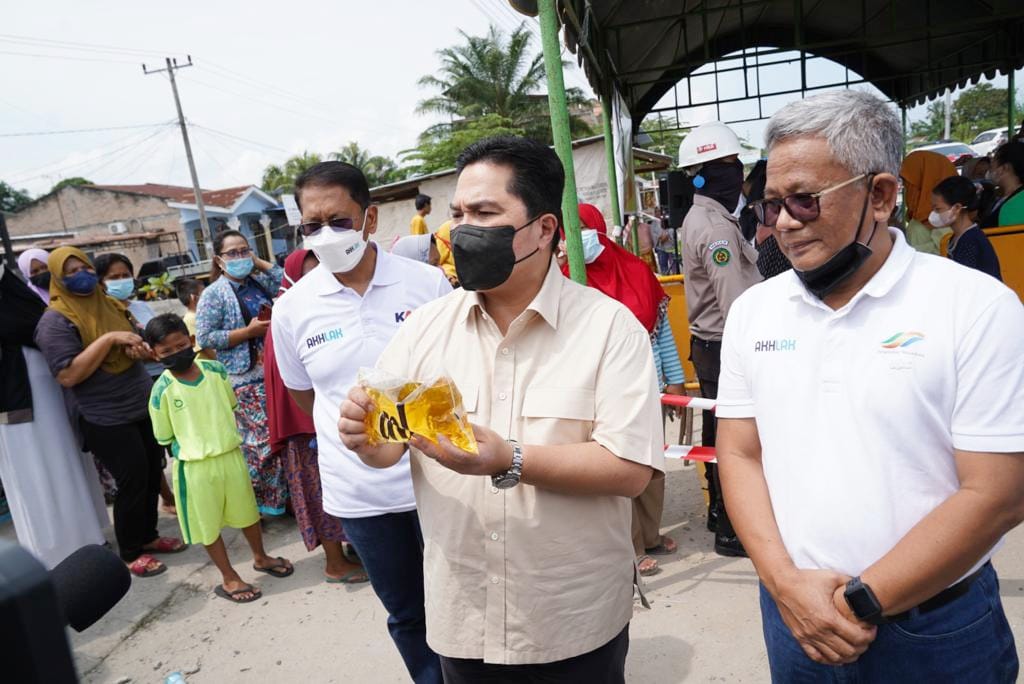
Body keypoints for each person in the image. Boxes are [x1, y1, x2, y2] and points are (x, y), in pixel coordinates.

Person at [720, 89, 1023, 682]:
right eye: (771, 203)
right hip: (792, 618)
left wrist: (859, 601)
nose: (783, 222)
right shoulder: (755, 313)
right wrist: (786, 588)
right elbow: (739, 452)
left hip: (934, 632)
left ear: (880, 196)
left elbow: (999, 493)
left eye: (805, 201)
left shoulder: (976, 307)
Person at [338, 136, 664, 682]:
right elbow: (389, 445)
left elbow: (630, 470)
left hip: (572, 619)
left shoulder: (609, 329)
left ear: (543, 229)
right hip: (464, 618)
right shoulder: (423, 329)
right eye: (458, 213)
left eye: (485, 213)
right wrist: (365, 438)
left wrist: (509, 459)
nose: (463, 230)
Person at [271, 161, 451, 683]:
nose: (325, 234)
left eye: (339, 220)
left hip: (439, 482)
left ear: (370, 218)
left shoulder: (428, 284)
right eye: (312, 225)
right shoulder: (293, 309)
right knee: (408, 614)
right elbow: (308, 397)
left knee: (468, 601)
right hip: (362, 498)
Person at [34, 247, 185, 577]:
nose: (81, 275)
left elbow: (137, 345)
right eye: (70, 272)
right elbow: (68, 375)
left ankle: (148, 536)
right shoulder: (55, 322)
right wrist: (109, 340)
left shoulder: (111, 304)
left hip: (138, 402)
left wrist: (137, 347)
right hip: (102, 414)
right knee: (131, 479)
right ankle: (130, 551)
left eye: (84, 267)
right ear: (57, 278)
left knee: (150, 471)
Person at [560, 202, 682, 577]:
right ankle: (629, 547)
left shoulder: (635, 271)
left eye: (583, 228)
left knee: (651, 467)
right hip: (601, 396)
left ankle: (650, 535)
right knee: (617, 471)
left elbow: (661, 334)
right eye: (570, 230)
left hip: (650, 387)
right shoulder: (565, 282)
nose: (576, 239)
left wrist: (675, 377)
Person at [145, 314, 294, 603]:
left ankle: (260, 557)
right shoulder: (160, 391)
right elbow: (165, 437)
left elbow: (230, 404)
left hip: (231, 456)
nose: (176, 353)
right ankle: (228, 577)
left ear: (191, 342)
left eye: (180, 346)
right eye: (166, 351)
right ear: (154, 354)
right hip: (196, 468)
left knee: (248, 512)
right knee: (208, 525)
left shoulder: (216, 370)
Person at [677, 120, 762, 557]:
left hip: (711, 344)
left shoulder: (708, 219)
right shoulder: (716, 229)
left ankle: (719, 516)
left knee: (717, 436)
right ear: (704, 173)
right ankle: (732, 529)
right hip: (726, 344)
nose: (739, 173)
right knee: (735, 440)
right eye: (730, 165)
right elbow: (737, 306)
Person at [264, 248, 367, 585]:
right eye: (305, 274)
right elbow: (291, 387)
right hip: (304, 429)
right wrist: (318, 420)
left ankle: (355, 548)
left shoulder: (327, 308)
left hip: (333, 423)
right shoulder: (288, 315)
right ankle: (334, 562)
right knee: (318, 494)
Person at [0, 258, 108, 569]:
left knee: (66, 462)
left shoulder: (18, 296)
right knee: (33, 475)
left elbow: (35, 324)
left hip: (50, 392)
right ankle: (51, 553)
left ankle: (87, 539)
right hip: (16, 405)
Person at [195, 230, 288, 517]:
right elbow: (206, 337)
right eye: (232, 253)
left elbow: (287, 281)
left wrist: (257, 261)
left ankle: (283, 500)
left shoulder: (258, 282)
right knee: (261, 443)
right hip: (244, 378)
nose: (239, 258)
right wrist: (246, 333)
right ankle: (258, 504)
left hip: (275, 369)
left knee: (282, 437)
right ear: (219, 260)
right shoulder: (214, 294)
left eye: (243, 250)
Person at [930, 176, 1002, 280]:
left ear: (957, 208)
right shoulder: (957, 237)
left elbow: (965, 282)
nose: (934, 214)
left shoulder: (970, 241)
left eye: (938, 209)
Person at [899, 150, 955, 254]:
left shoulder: (943, 218)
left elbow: (943, 252)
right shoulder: (921, 215)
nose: (906, 187)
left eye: (908, 182)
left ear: (924, 181)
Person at [984, 141, 1024, 227]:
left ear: (1004, 168)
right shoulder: (1003, 198)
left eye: (992, 165)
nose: (989, 170)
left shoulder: (1013, 206)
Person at [175, 278, 214, 359]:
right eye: (204, 293)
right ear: (194, 298)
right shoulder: (191, 319)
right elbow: (205, 348)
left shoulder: (201, 316)